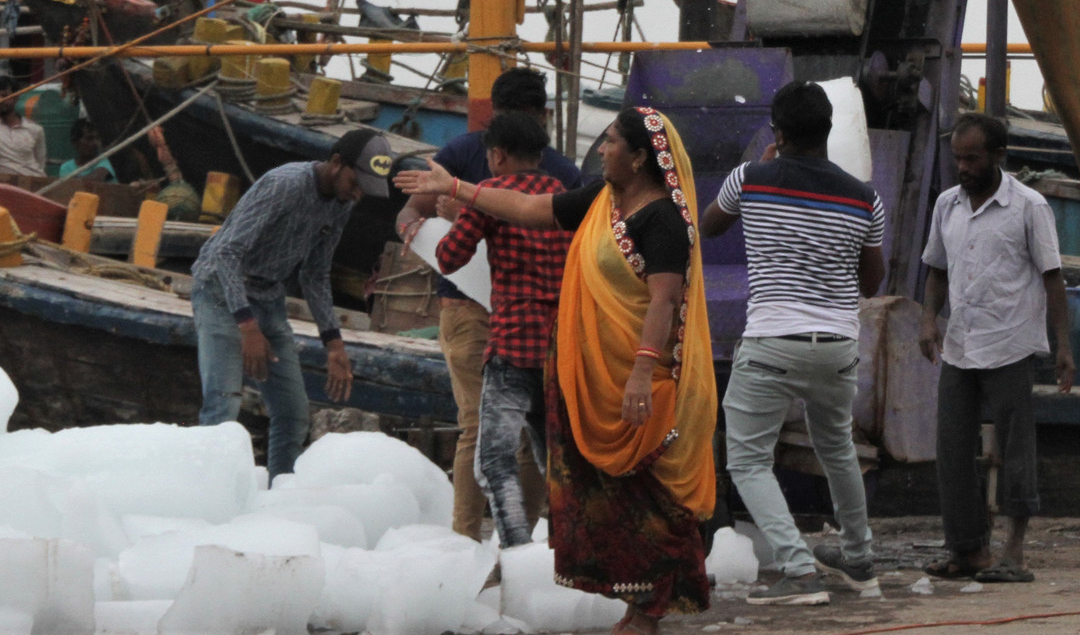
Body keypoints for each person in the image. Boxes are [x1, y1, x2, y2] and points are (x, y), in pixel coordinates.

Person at [396, 106, 717, 635]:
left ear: (639, 158)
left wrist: (640, 373)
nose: (602, 149)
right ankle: (634, 607)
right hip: (592, 378)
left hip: (643, 378)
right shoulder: (601, 201)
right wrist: (457, 186)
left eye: (612, 141)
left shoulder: (663, 219)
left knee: (652, 499)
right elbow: (526, 207)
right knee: (608, 499)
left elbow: (664, 301)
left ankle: (650, 611)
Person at [701, 80, 886, 606]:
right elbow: (871, 282)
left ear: (777, 133)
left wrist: (762, 168)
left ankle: (800, 571)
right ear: (829, 131)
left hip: (771, 343)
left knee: (748, 461)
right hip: (836, 345)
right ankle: (859, 559)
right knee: (839, 451)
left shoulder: (750, 179)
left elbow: (711, 227)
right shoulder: (863, 196)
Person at [395, 66, 581, 543]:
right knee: (537, 438)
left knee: (485, 437)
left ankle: (498, 545)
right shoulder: (560, 182)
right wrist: (411, 222)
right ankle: (535, 542)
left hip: (509, 327)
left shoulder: (481, 178)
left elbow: (449, 253)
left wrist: (459, 219)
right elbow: (412, 209)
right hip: (539, 326)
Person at [919, 112, 1074, 583]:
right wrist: (929, 319)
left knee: (1015, 447)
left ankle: (1015, 551)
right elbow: (937, 270)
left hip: (1010, 342)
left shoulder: (1028, 206)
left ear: (998, 157)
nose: (963, 167)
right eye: (958, 159)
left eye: (972, 158)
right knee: (952, 446)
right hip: (961, 344)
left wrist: (1063, 347)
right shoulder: (947, 204)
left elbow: (1053, 279)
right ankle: (968, 550)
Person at [191, 128, 393, 482]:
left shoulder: (342, 203)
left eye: (366, 188)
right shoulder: (284, 185)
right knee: (223, 407)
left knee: (293, 413)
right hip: (222, 291)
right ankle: (211, 498)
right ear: (335, 163)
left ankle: (279, 496)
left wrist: (334, 344)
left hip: (269, 297)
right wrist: (248, 327)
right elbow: (227, 253)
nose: (358, 193)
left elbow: (315, 274)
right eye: (355, 181)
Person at [435, 111, 574, 550]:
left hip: (512, 344)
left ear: (496, 155)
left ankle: (516, 549)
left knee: (494, 461)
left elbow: (449, 257)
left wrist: (460, 215)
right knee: (556, 459)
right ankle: (573, 546)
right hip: (558, 348)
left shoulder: (490, 195)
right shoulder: (562, 194)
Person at [0, 77, 47, 177]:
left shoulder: (34, 129)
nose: (1, 100)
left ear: (16, 97)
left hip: (31, 182)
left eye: (4, 95)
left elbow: (40, 162)